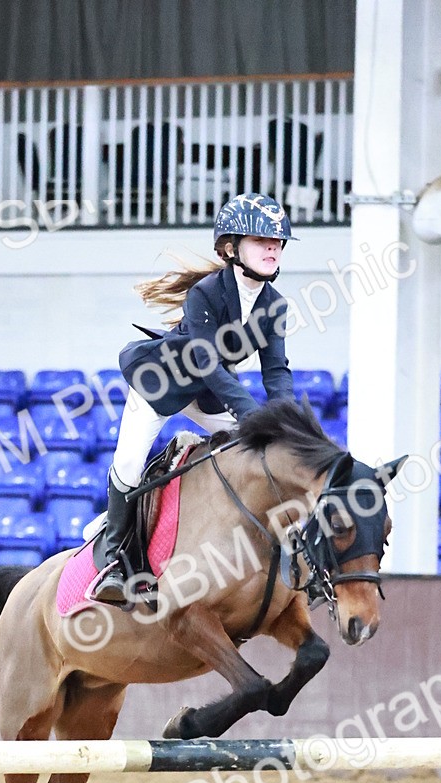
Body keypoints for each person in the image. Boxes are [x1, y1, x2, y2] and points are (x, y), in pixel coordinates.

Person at [85, 192, 298, 606]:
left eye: (277, 241)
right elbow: (207, 363)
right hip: (163, 385)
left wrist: (287, 425)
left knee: (260, 450)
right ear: (230, 249)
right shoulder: (205, 293)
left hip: (208, 395)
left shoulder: (275, 306)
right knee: (129, 464)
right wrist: (254, 415)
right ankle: (112, 555)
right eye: (261, 241)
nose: (273, 247)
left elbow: (276, 373)